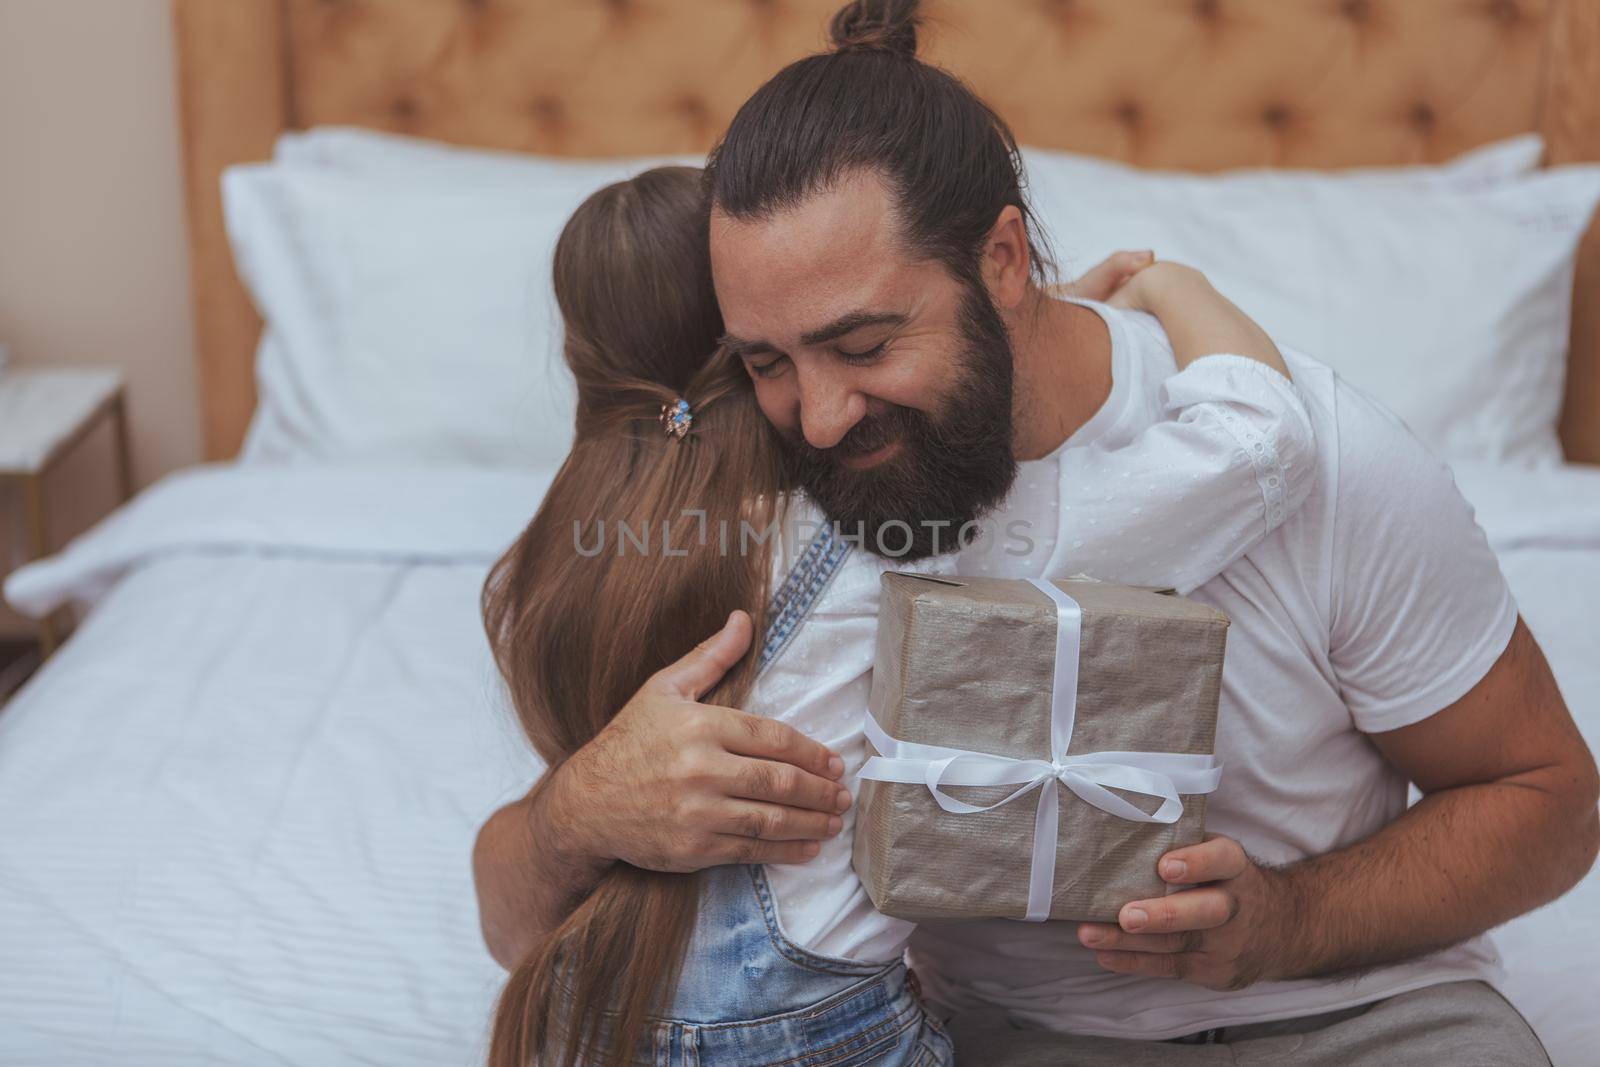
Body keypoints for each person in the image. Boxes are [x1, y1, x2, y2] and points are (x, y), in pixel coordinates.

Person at [478, 1, 1599, 1063]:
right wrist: (577, 809)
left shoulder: (1310, 457)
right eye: (768, 362)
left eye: (865, 345)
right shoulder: (789, 497)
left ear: (1003, 263)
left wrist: (1288, 919)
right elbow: (509, 906)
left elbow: (1550, 798)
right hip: (1016, 1033)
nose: (818, 414)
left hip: (1366, 1009)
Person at [479, 160, 1315, 1066]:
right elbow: (1257, 443)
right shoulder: (885, 534)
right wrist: (1170, 287)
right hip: (810, 1037)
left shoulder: (562, 558)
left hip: (581, 1017)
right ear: (757, 343)